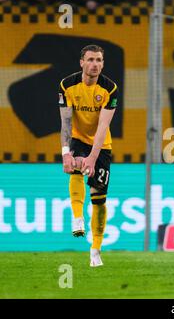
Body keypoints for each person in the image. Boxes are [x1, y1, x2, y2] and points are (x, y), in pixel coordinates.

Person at [59, 44, 118, 267]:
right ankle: (77, 217)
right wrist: (66, 153)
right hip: (77, 137)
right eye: (91, 60)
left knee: (99, 198)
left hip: (101, 145)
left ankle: (95, 250)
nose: (95, 64)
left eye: (99, 60)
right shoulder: (67, 85)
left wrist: (93, 157)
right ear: (82, 62)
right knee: (74, 167)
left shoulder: (110, 89)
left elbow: (103, 126)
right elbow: (65, 121)